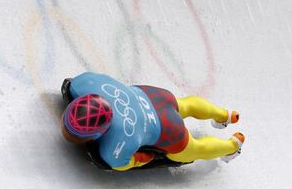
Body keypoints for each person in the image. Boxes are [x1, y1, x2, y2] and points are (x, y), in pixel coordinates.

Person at [61, 72, 245, 171]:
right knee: (184, 105)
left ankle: (232, 146)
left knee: (193, 149)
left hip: (167, 128)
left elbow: (129, 162)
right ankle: (225, 115)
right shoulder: (84, 82)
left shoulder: (117, 143)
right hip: (152, 95)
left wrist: (145, 158)